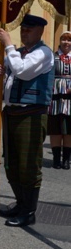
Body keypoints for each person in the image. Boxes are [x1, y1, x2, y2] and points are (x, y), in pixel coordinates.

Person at [0, 14, 54, 227]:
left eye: (29, 29)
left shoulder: (44, 53)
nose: (25, 32)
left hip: (31, 114)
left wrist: (9, 45)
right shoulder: (19, 53)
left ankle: (29, 211)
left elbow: (22, 71)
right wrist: (0, 73)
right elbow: (6, 79)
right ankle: (20, 203)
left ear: (40, 32)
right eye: (23, 29)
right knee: (12, 162)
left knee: (28, 164)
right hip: (12, 112)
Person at [48, 31, 71, 169]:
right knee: (55, 128)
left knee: (69, 129)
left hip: (70, 98)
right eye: (64, 39)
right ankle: (56, 158)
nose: (66, 42)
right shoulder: (52, 56)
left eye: (69, 40)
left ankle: (67, 159)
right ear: (60, 41)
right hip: (55, 96)